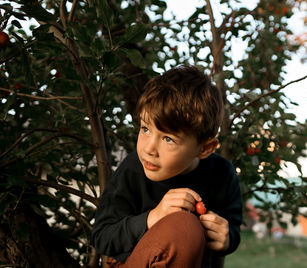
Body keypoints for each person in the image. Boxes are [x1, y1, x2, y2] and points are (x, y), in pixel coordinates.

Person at [91, 65, 243, 268]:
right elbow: (101, 237)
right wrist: (152, 218)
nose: (149, 149)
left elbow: (232, 227)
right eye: (145, 129)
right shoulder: (133, 168)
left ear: (205, 148)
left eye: (168, 139)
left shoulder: (222, 174)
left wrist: (228, 238)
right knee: (184, 226)